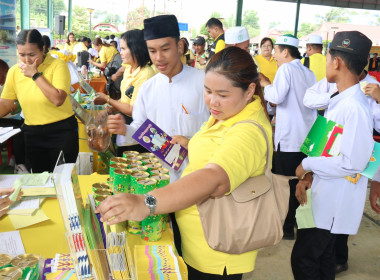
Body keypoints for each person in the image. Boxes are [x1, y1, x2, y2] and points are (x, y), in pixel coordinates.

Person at [97, 46, 272, 280]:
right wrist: (192, 143)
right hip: (199, 243)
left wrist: (146, 203)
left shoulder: (247, 132)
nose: (213, 102)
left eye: (222, 94)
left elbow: (213, 179)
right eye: (208, 91)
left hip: (216, 255)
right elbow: (218, 149)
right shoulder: (229, 114)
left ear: (250, 90)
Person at [292, 31, 374, 280]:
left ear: (336, 62)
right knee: (323, 258)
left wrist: (305, 164)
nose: (326, 64)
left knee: (304, 259)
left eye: (328, 58)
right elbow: (327, 146)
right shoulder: (339, 99)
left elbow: (353, 162)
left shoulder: (355, 107)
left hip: (333, 200)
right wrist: (308, 175)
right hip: (323, 193)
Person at [107, 14, 209, 182]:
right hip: (160, 177)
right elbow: (141, 127)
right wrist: (124, 129)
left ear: (179, 46)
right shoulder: (148, 88)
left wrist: (192, 144)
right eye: (152, 51)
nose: (158, 58)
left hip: (199, 174)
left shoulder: (204, 82)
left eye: (165, 49)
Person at [259, 34, 317, 240]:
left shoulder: (286, 69)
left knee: (285, 184)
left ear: (285, 51)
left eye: (276, 51)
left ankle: (285, 226)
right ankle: (299, 224)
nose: (274, 56)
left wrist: (266, 84)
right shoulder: (308, 73)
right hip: (308, 137)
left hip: (290, 138)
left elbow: (276, 97)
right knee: (301, 181)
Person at [0, 29, 79, 173]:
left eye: (32, 54)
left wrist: (35, 75)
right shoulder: (14, 71)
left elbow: (57, 99)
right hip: (32, 133)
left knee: (62, 180)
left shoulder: (58, 66)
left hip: (61, 131)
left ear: (43, 49)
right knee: (39, 179)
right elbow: (6, 103)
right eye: (22, 55)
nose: (27, 60)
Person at [94, 29, 156, 155]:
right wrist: (108, 110)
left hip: (140, 130)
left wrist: (107, 99)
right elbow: (124, 100)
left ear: (135, 49)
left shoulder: (146, 74)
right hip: (126, 125)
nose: (120, 53)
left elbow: (133, 109)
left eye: (123, 49)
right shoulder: (128, 68)